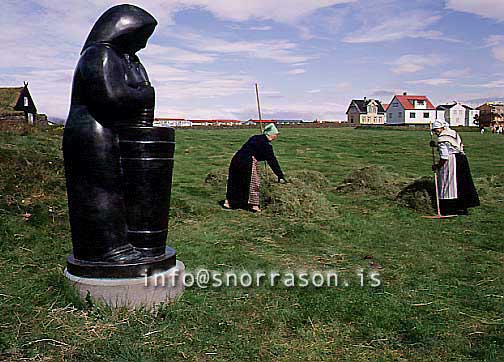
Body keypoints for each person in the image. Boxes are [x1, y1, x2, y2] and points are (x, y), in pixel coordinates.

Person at [223, 123, 286, 212]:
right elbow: (272, 161)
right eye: (276, 134)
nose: (276, 136)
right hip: (247, 162)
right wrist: (280, 175)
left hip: (236, 159)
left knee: (235, 181)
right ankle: (254, 205)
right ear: (271, 135)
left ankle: (228, 202)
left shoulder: (255, 137)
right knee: (254, 182)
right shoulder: (266, 145)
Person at [430, 120, 480, 216]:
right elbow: (453, 146)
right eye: (434, 131)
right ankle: (463, 208)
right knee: (462, 183)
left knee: (449, 183)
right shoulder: (453, 132)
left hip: (451, 161)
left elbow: (444, 156)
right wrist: (435, 145)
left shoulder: (441, 138)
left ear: (442, 128)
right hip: (461, 159)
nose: (436, 133)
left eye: (436, 130)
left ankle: (449, 209)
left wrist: (437, 166)